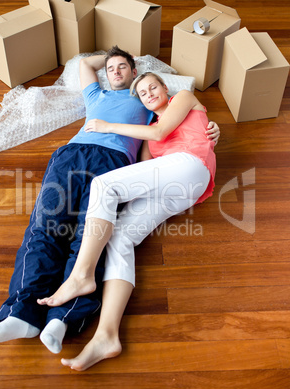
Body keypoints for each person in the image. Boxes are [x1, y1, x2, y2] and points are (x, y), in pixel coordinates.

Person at [0, 47, 220, 354]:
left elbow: (166, 128)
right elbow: (85, 65)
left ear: (149, 81)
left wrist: (212, 128)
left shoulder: (162, 106)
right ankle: (55, 322)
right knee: (88, 233)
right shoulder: (104, 100)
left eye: (126, 68)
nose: (117, 72)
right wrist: (111, 54)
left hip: (149, 163)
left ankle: (69, 306)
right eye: (111, 68)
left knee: (93, 221)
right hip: (98, 162)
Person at [37, 72, 217, 370]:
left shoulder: (183, 98)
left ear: (164, 88)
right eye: (142, 93)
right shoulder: (150, 127)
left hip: (191, 166)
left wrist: (107, 126)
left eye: (152, 87)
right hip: (179, 190)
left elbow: (162, 136)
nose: (148, 94)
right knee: (119, 236)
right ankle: (107, 335)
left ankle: (81, 275)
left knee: (104, 186)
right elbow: (145, 165)